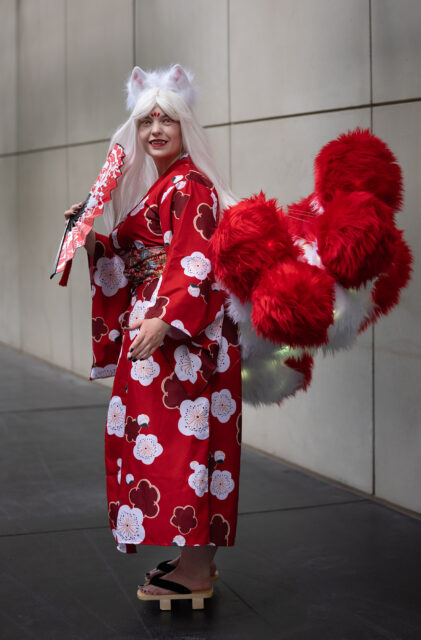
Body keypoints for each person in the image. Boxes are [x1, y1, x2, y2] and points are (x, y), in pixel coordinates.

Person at [65, 65, 241, 609]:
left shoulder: (191, 186)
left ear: (186, 124)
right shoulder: (164, 186)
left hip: (183, 337)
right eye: (146, 121)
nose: (156, 130)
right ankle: (195, 559)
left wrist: (166, 317)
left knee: (188, 443)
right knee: (180, 442)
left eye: (167, 119)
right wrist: (90, 241)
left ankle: (195, 569)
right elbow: (135, 257)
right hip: (164, 331)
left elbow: (196, 261)